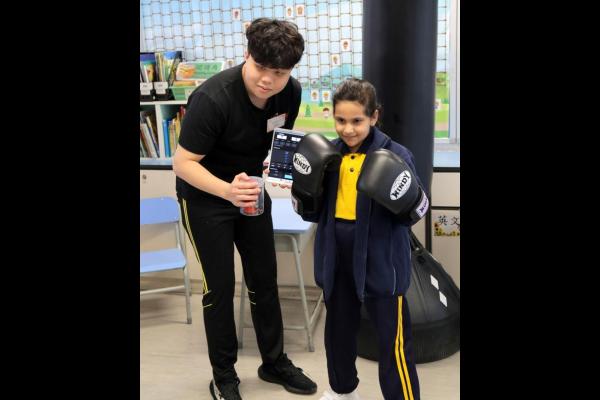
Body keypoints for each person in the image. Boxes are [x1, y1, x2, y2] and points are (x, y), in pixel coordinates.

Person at [173, 18, 317, 400]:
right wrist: (227, 191)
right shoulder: (213, 98)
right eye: (260, 67)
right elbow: (183, 164)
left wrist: (278, 169)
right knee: (219, 288)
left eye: (279, 72)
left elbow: (278, 136)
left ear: (290, 71)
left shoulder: (290, 92)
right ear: (246, 55)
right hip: (205, 196)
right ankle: (223, 376)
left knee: (264, 279)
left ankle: (274, 363)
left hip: (251, 190)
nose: (268, 80)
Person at [290, 78, 430, 400]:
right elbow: (310, 213)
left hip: (382, 258)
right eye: (340, 120)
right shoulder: (327, 155)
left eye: (357, 121)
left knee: (393, 342)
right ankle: (342, 391)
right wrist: (303, 192)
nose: (348, 129)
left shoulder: (396, 155)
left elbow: (418, 209)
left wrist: (405, 197)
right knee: (337, 333)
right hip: (336, 255)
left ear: (374, 116)